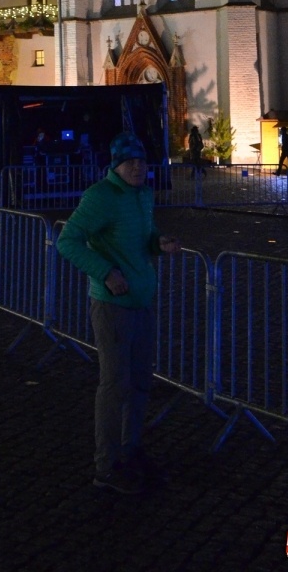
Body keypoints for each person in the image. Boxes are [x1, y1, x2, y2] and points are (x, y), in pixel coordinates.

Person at [56, 132, 180, 494]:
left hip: (141, 301)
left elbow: (146, 235)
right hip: (112, 307)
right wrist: (106, 273)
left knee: (141, 381)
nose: (139, 167)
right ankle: (106, 467)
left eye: (142, 161)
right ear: (116, 165)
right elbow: (67, 240)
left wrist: (160, 242)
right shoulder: (100, 197)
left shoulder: (142, 194)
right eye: (131, 162)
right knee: (114, 385)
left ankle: (131, 448)